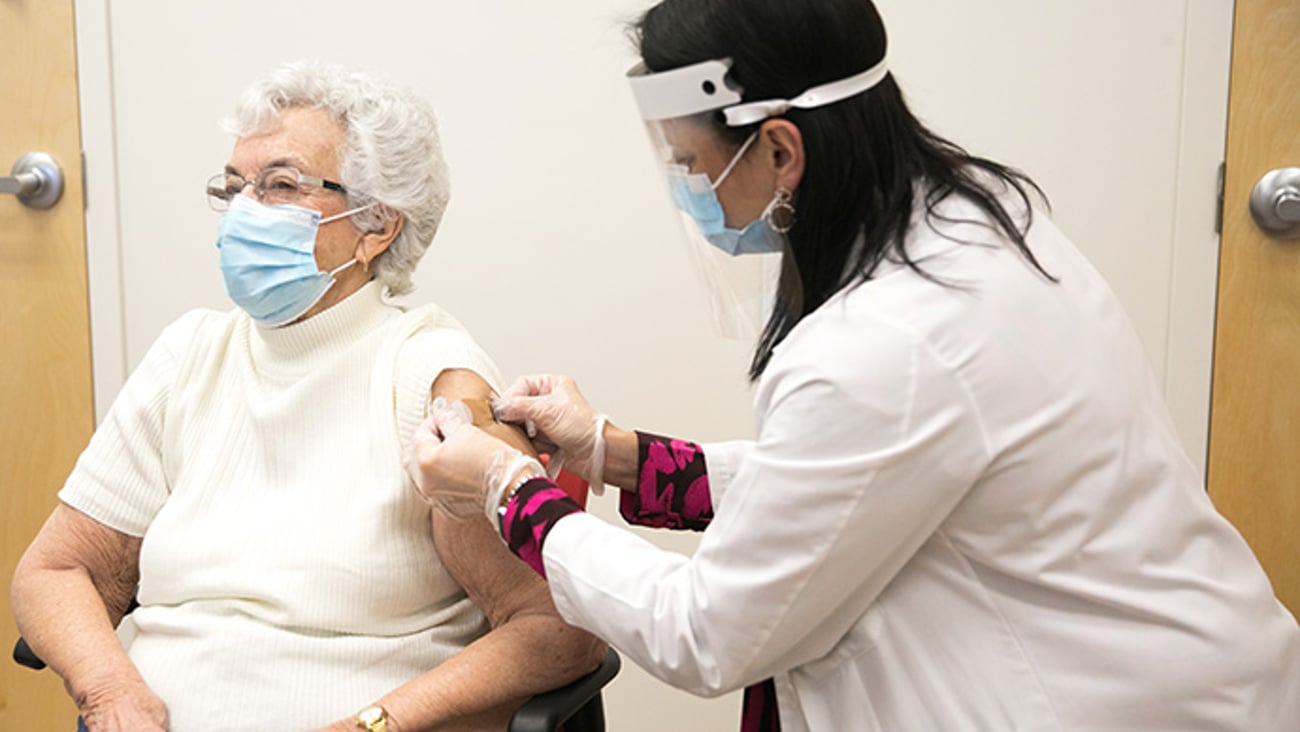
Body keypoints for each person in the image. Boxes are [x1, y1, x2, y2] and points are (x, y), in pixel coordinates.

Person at [404, 1, 1300, 731]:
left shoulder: (887, 343)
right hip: (1162, 656)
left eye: (690, 162)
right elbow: (860, 478)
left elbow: (709, 633)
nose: (686, 187)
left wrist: (511, 492)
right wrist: (615, 452)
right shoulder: (970, 223)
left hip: (1106, 701)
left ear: (782, 149)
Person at [11, 61, 603, 732]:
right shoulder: (190, 355)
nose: (242, 211)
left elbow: (555, 628)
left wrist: (373, 724)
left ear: (377, 224)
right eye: (233, 187)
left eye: (279, 186)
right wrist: (111, 691)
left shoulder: (428, 372)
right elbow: (56, 570)